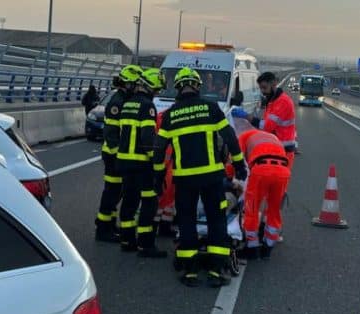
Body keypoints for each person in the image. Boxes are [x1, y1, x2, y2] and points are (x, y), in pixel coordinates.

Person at [155, 67, 247, 287]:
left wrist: (158, 176)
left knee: (186, 221)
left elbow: (159, 150)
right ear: (197, 85)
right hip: (211, 177)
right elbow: (230, 137)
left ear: (178, 87)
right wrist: (239, 164)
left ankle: (189, 271)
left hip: (184, 179)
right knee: (217, 220)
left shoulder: (170, 115)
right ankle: (217, 270)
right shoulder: (211, 108)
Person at [116, 67, 168, 258]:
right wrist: (156, 163)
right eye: (157, 90)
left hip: (124, 161)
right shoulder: (148, 106)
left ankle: (127, 240)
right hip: (141, 164)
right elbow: (147, 138)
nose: (157, 94)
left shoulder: (128, 103)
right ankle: (145, 245)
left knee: (129, 201)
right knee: (149, 202)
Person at [94, 64, 143, 242]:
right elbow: (111, 133)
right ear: (128, 84)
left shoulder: (123, 99)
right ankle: (102, 228)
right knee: (112, 192)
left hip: (117, 156)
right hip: (113, 155)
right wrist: (118, 155)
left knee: (117, 192)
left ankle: (109, 224)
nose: (137, 88)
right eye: (135, 85)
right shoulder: (117, 102)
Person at [233, 121, 291, 261]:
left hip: (261, 170)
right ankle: (267, 248)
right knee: (274, 209)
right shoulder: (271, 137)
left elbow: (236, 159)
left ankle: (251, 248)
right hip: (283, 171)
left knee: (251, 208)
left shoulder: (243, 137)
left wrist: (230, 179)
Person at [232, 71, 297, 169]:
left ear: (274, 84)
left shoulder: (282, 102)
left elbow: (267, 127)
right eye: (261, 88)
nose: (263, 91)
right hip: (276, 148)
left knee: (277, 181)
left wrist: (246, 116)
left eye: (265, 87)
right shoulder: (272, 101)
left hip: (283, 150)